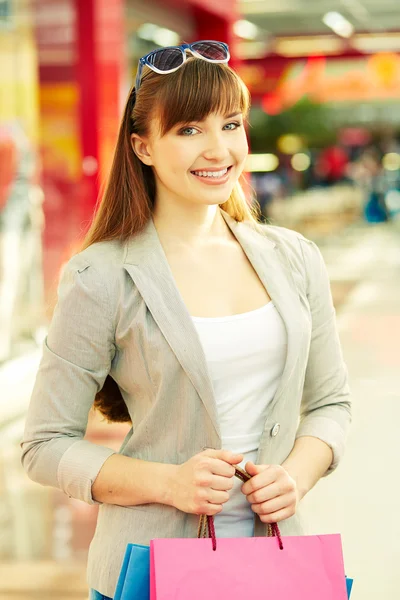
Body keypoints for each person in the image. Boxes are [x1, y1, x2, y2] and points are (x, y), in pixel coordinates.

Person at [21, 41, 351, 600]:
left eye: (231, 124)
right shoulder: (101, 277)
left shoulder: (293, 258)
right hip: (152, 572)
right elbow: (45, 445)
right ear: (142, 146)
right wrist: (170, 483)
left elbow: (330, 404)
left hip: (280, 567)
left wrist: (296, 473)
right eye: (189, 130)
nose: (219, 149)